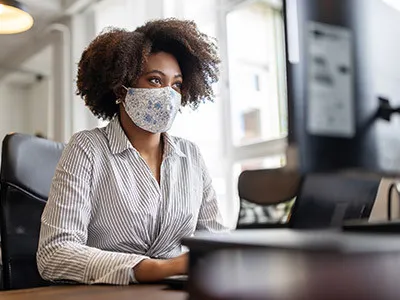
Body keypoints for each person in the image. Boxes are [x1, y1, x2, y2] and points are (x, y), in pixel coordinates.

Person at [36, 18, 227, 285]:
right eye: (155, 80)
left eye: (176, 85)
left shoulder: (191, 156)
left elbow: (217, 241)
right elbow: (54, 255)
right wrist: (162, 268)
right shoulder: (87, 149)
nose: (168, 95)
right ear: (121, 88)